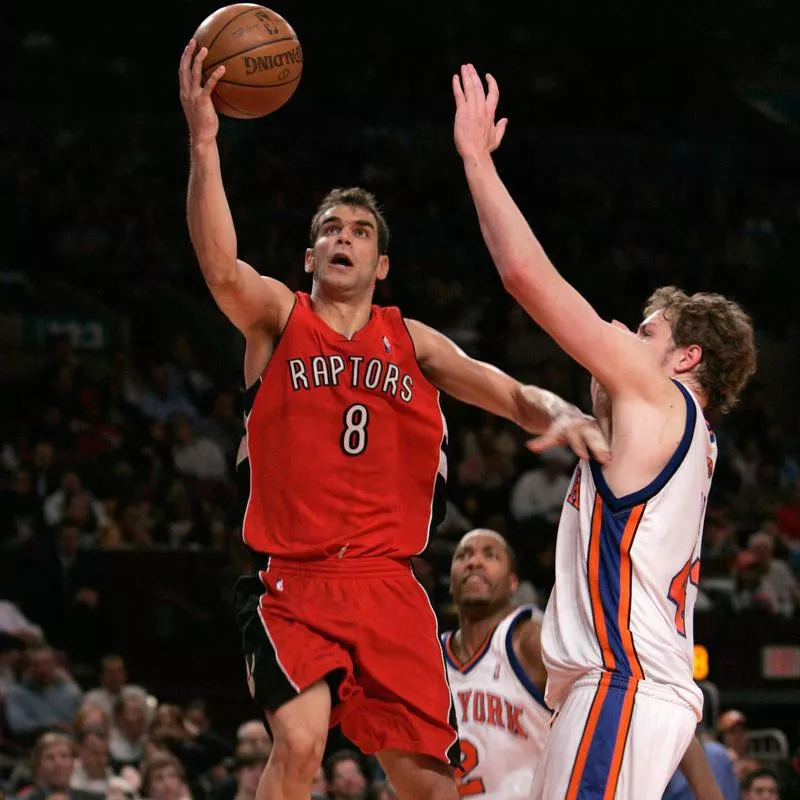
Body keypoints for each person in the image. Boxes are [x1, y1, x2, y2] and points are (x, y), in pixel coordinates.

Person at [178, 42, 610, 800]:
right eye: (330, 229)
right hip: (296, 581)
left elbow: (506, 391)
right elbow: (220, 268)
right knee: (304, 740)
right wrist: (205, 141)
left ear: (381, 266)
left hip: (390, 587)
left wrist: (561, 409)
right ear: (310, 254)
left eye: (360, 231)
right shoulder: (278, 319)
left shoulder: (410, 341)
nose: (343, 237)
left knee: (431, 785)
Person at [451, 63, 757, 799]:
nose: (619, 331)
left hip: (623, 685)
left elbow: (527, 277)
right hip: (619, 690)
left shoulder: (661, 395)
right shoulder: (671, 437)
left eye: (643, 330)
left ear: (685, 358)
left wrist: (477, 163)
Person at [443, 529, 550, 798]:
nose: (474, 562)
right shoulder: (431, 660)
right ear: (450, 583)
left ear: (513, 583)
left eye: (489, 555)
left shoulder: (531, 640)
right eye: (463, 556)